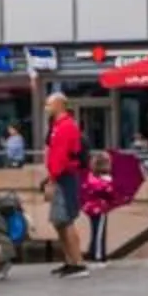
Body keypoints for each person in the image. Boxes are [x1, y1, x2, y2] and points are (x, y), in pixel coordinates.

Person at [41, 93, 88, 279]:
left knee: (66, 219)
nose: (46, 107)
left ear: (59, 104)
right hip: (60, 176)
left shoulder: (66, 127)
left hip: (65, 177)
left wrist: (52, 180)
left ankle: (78, 263)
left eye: (49, 104)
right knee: (59, 221)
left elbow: (60, 156)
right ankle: (70, 260)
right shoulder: (57, 126)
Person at [79, 150, 118, 264]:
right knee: (100, 232)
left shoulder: (90, 177)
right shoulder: (106, 180)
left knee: (94, 230)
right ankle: (99, 255)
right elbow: (110, 194)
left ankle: (93, 252)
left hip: (90, 208)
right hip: (101, 208)